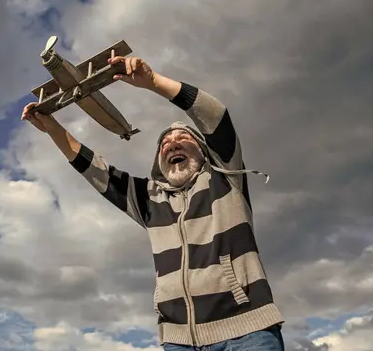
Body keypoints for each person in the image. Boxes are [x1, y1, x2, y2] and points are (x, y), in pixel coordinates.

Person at [21, 55, 285, 351]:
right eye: (165, 143)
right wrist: (52, 128)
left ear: (204, 151)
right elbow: (95, 170)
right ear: (159, 161)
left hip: (247, 334)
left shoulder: (226, 178)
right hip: (178, 342)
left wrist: (153, 82)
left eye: (184, 138)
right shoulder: (149, 200)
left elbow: (216, 117)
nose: (172, 143)